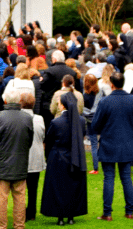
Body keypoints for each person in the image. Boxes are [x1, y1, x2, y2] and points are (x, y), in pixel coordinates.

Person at [91, 72, 133, 221]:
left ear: (112, 84)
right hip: (125, 142)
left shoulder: (105, 102)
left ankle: (108, 213)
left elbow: (95, 124)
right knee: (125, 178)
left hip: (109, 143)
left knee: (109, 178)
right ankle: (129, 211)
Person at [0, 87, 34, 229]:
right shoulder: (27, 118)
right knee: (20, 198)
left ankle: (1, 226)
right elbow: (29, 141)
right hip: (19, 163)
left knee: (1, 199)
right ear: (18, 101)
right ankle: (19, 226)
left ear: (5, 100)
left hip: (2, 164)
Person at [42, 92, 89, 225]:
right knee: (72, 186)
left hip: (58, 157)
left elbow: (49, 139)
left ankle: (61, 217)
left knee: (59, 187)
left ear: (62, 105)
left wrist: (49, 155)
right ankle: (71, 216)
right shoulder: (80, 121)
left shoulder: (56, 122)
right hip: (76, 156)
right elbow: (82, 135)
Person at [19, 91, 46, 221]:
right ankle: (31, 211)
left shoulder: (20, 118)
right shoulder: (39, 119)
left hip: (24, 156)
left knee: (21, 187)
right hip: (35, 156)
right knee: (33, 187)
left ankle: (26, 211)